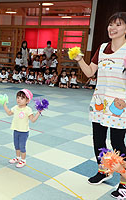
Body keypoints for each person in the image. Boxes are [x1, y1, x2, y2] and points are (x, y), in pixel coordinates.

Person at [73, 12, 126, 197]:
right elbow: (89, 73)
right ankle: (104, 170)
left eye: (118, 24)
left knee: (118, 143)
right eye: (111, 24)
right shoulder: (102, 48)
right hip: (99, 103)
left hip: (120, 106)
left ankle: (124, 182)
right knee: (98, 140)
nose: (113, 28)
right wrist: (80, 59)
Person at [3, 89, 41, 168]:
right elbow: (9, 113)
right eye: (18, 97)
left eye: (22, 98)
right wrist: (4, 105)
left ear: (27, 101)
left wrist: (38, 112)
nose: (19, 99)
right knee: (16, 145)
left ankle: (23, 160)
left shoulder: (28, 110)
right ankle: (18, 158)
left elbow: (33, 120)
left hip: (24, 132)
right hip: (16, 130)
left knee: (22, 146)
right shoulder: (15, 107)